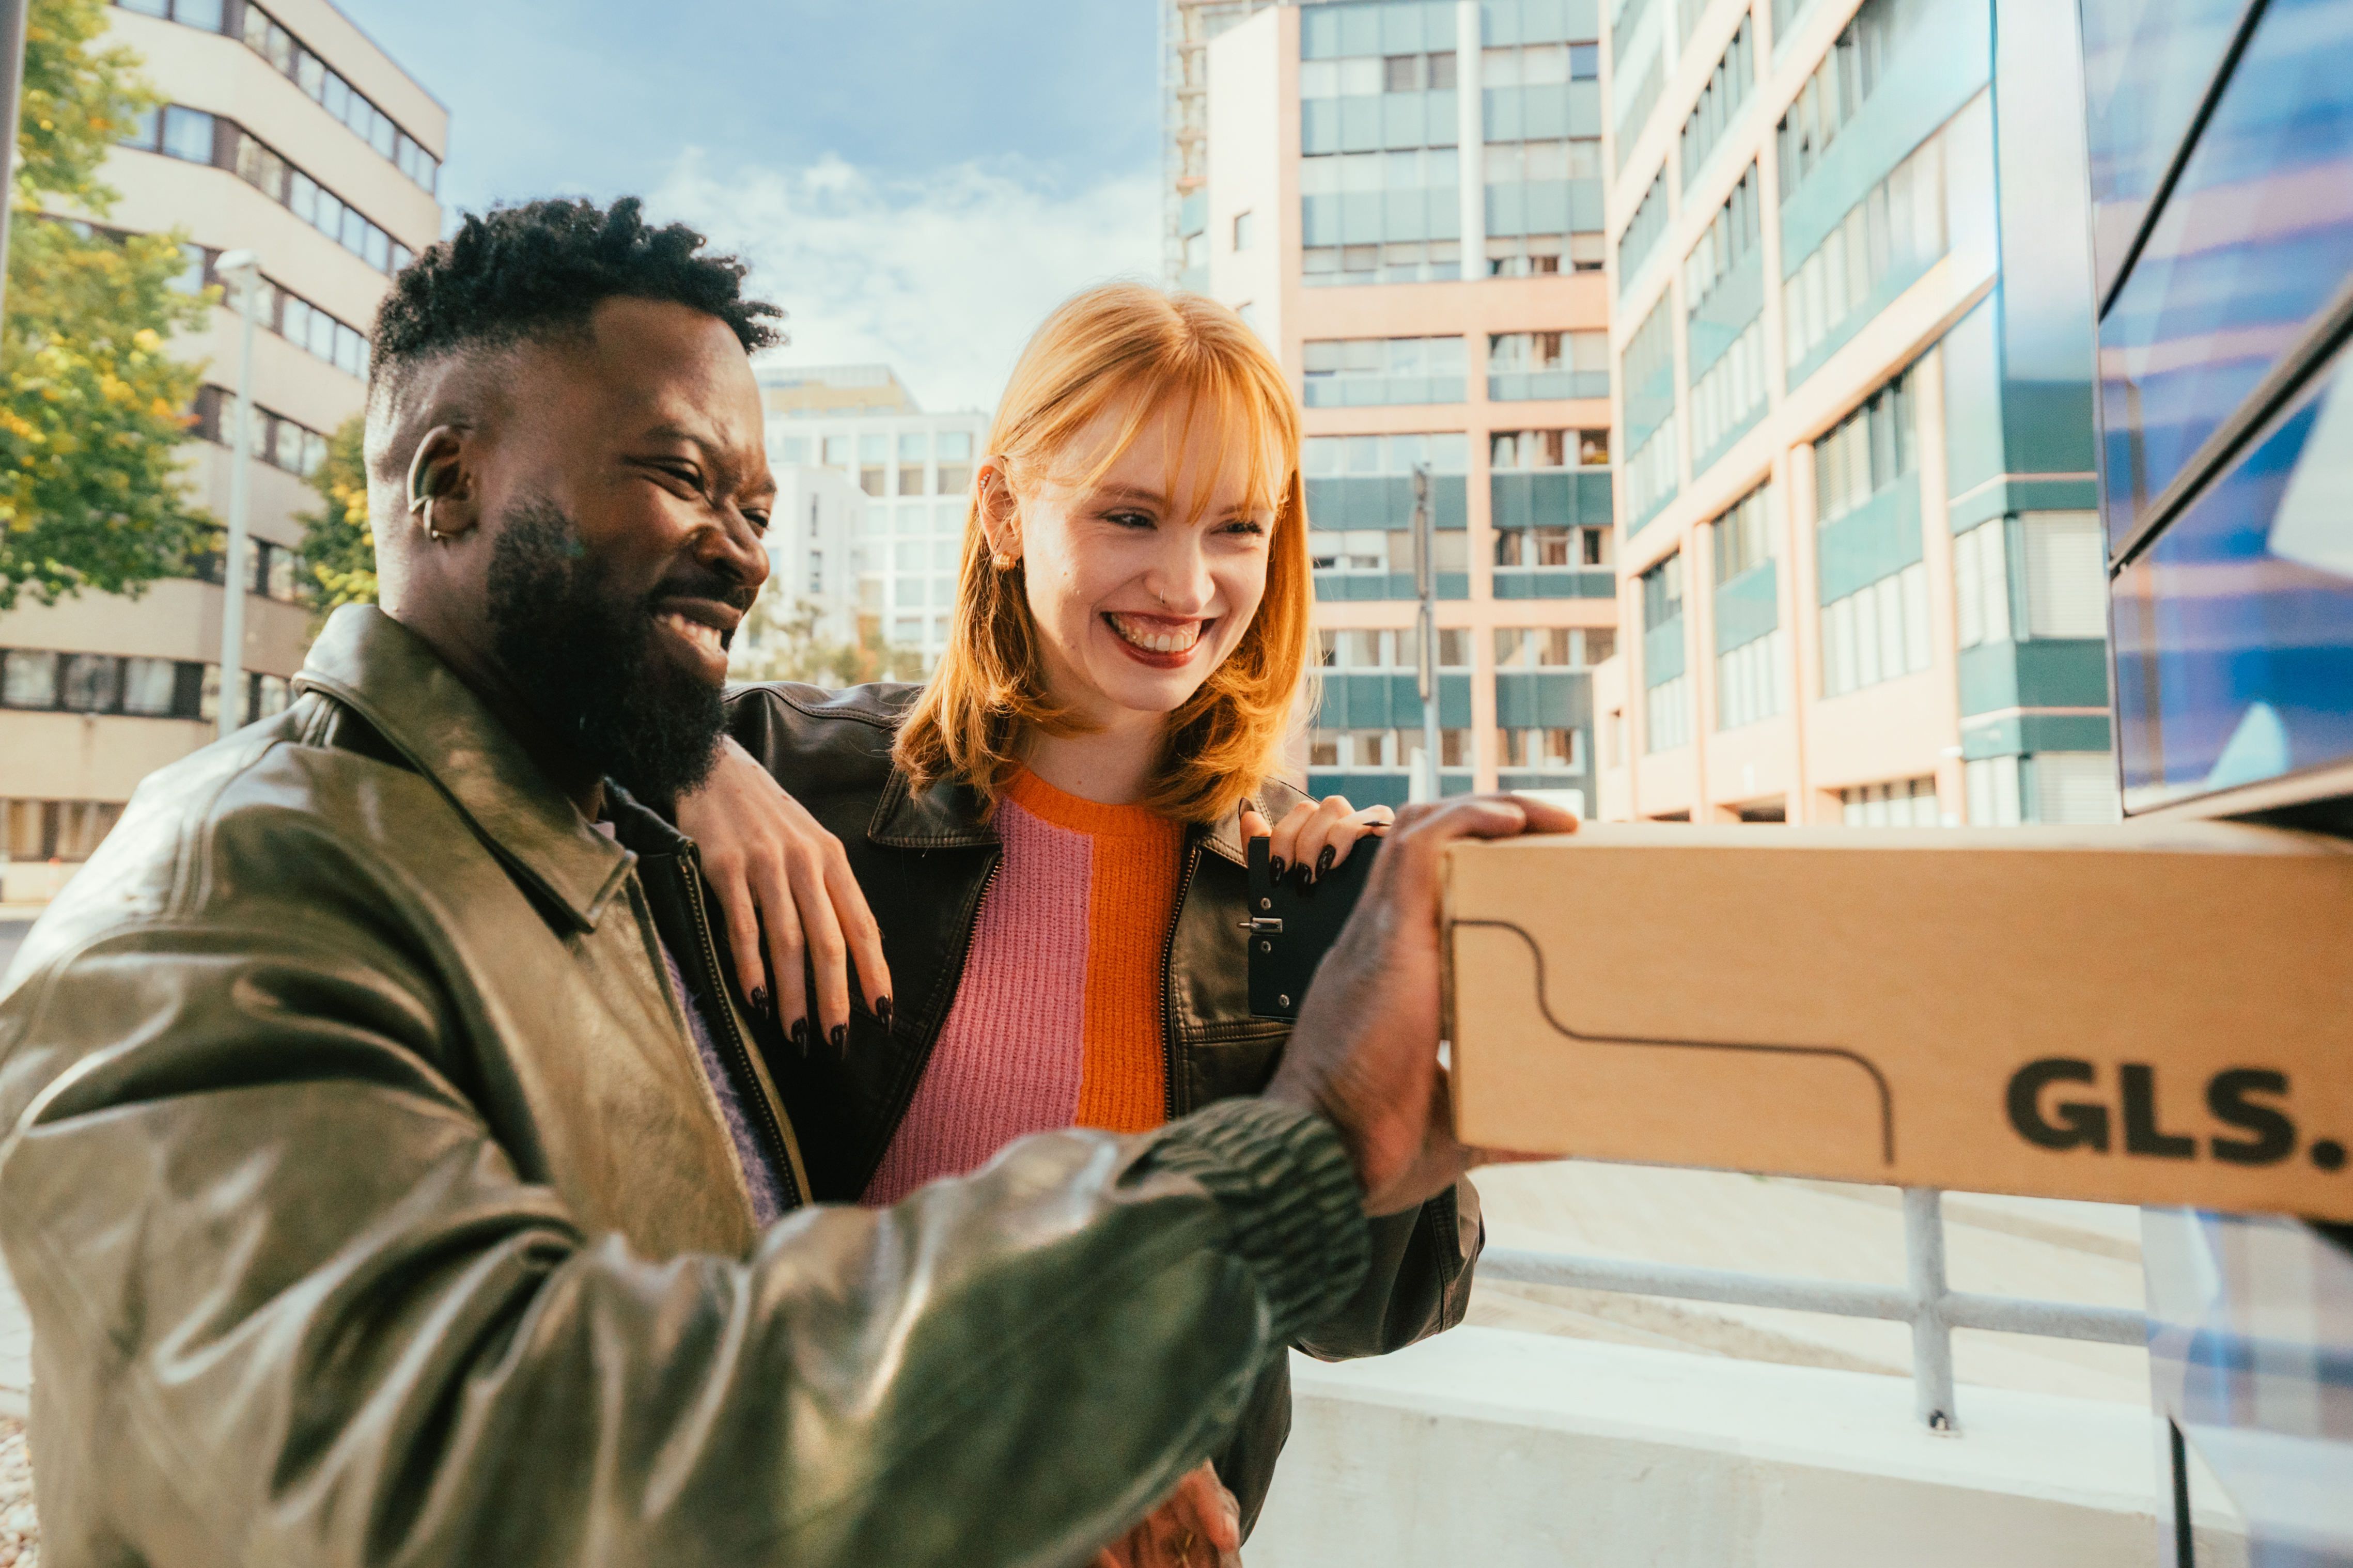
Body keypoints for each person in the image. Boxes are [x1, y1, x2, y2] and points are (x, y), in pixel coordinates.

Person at [0, 197, 1573, 1568]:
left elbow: (693, 1299)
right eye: (683, 476)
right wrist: (1074, 1409)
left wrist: (1397, 1088)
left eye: (756, 506)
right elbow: (490, 1453)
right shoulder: (257, 887)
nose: (744, 553)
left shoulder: (1283, 867)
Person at [675, 283, 1475, 1545]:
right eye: (1129, 515)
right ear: (1001, 511)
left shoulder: (1289, 882)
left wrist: (1396, 1019)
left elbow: (1376, 1315)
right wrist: (689, 763)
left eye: (1235, 528)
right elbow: (461, 715)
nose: (1185, 582)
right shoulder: (787, 770)